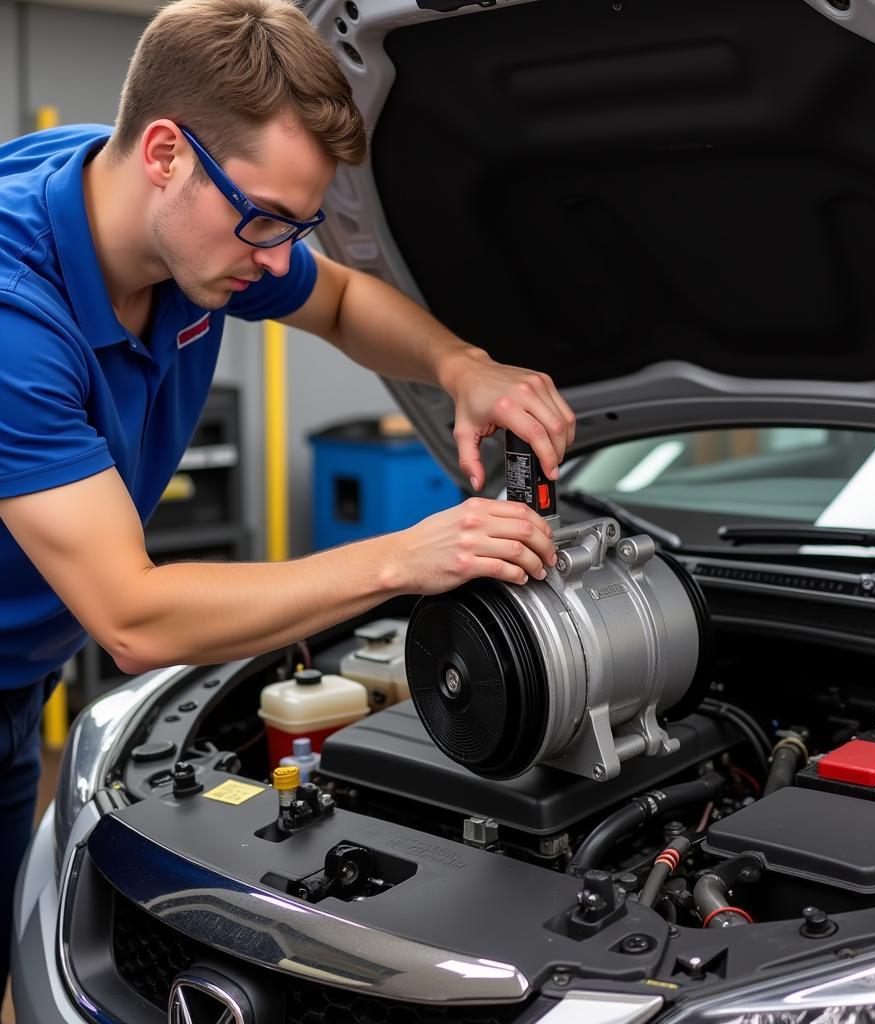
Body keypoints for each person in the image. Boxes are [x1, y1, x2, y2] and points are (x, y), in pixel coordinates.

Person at [0, 0, 575, 990]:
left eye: (298, 222)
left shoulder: (177, 216)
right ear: (167, 153)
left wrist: (463, 365)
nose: (278, 259)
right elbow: (132, 617)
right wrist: (403, 557)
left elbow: (343, 299)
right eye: (265, 220)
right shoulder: (17, 319)